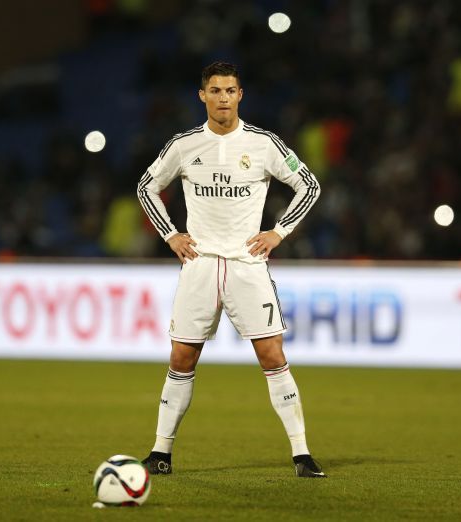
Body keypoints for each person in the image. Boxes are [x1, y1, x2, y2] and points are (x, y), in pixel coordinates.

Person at [136, 61, 324, 478]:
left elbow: (308, 185)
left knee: (272, 354)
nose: (223, 98)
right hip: (200, 264)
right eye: (215, 91)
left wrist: (278, 232)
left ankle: (301, 454)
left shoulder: (264, 143)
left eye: (230, 91)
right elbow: (145, 187)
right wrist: (170, 235)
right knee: (182, 356)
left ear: (241, 95)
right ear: (202, 95)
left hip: (247, 264)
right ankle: (161, 452)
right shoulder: (183, 145)